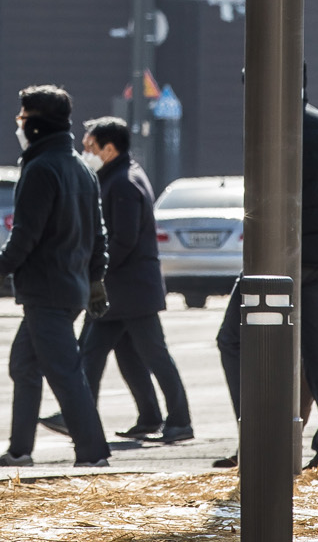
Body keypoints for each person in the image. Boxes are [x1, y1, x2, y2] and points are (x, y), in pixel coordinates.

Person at [212, 87, 318, 470]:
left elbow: (260, 195)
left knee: (231, 339)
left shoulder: (272, 124)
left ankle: (256, 436)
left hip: (274, 256)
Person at [0, 85, 112, 468]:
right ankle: (20, 451)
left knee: (65, 373)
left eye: (23, 117)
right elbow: (98, 233)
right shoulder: (79, 168)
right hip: (69, 287)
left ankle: (92, 454)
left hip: (47, 289)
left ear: (36, 124)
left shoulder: (41, 168)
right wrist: (95, 280)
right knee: (24, 365)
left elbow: (26, 234)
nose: (19, 124)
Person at [74, 117, 193, 441]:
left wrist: (96, 271)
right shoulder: (117, 176)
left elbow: (123, 240)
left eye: (90, 147)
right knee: (121, 356)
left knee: (149, 355)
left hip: (131, 290)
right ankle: (148, 417)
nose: (85, 152)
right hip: (121, 290)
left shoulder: (124, 183)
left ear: (109, 149)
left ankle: (180, 421)